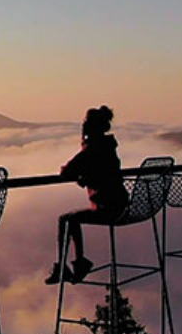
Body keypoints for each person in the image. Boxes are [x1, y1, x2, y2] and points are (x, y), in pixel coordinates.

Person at [46, 105, 130, 285]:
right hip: (122, 205)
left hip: (109, 209)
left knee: (66, 220)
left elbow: (67, 171)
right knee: (71, 218)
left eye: (85, 123)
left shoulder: (93, 148)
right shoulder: (107, 147)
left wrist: (82, 173)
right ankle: (76, 262)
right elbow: (100, 172)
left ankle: (71, 264)